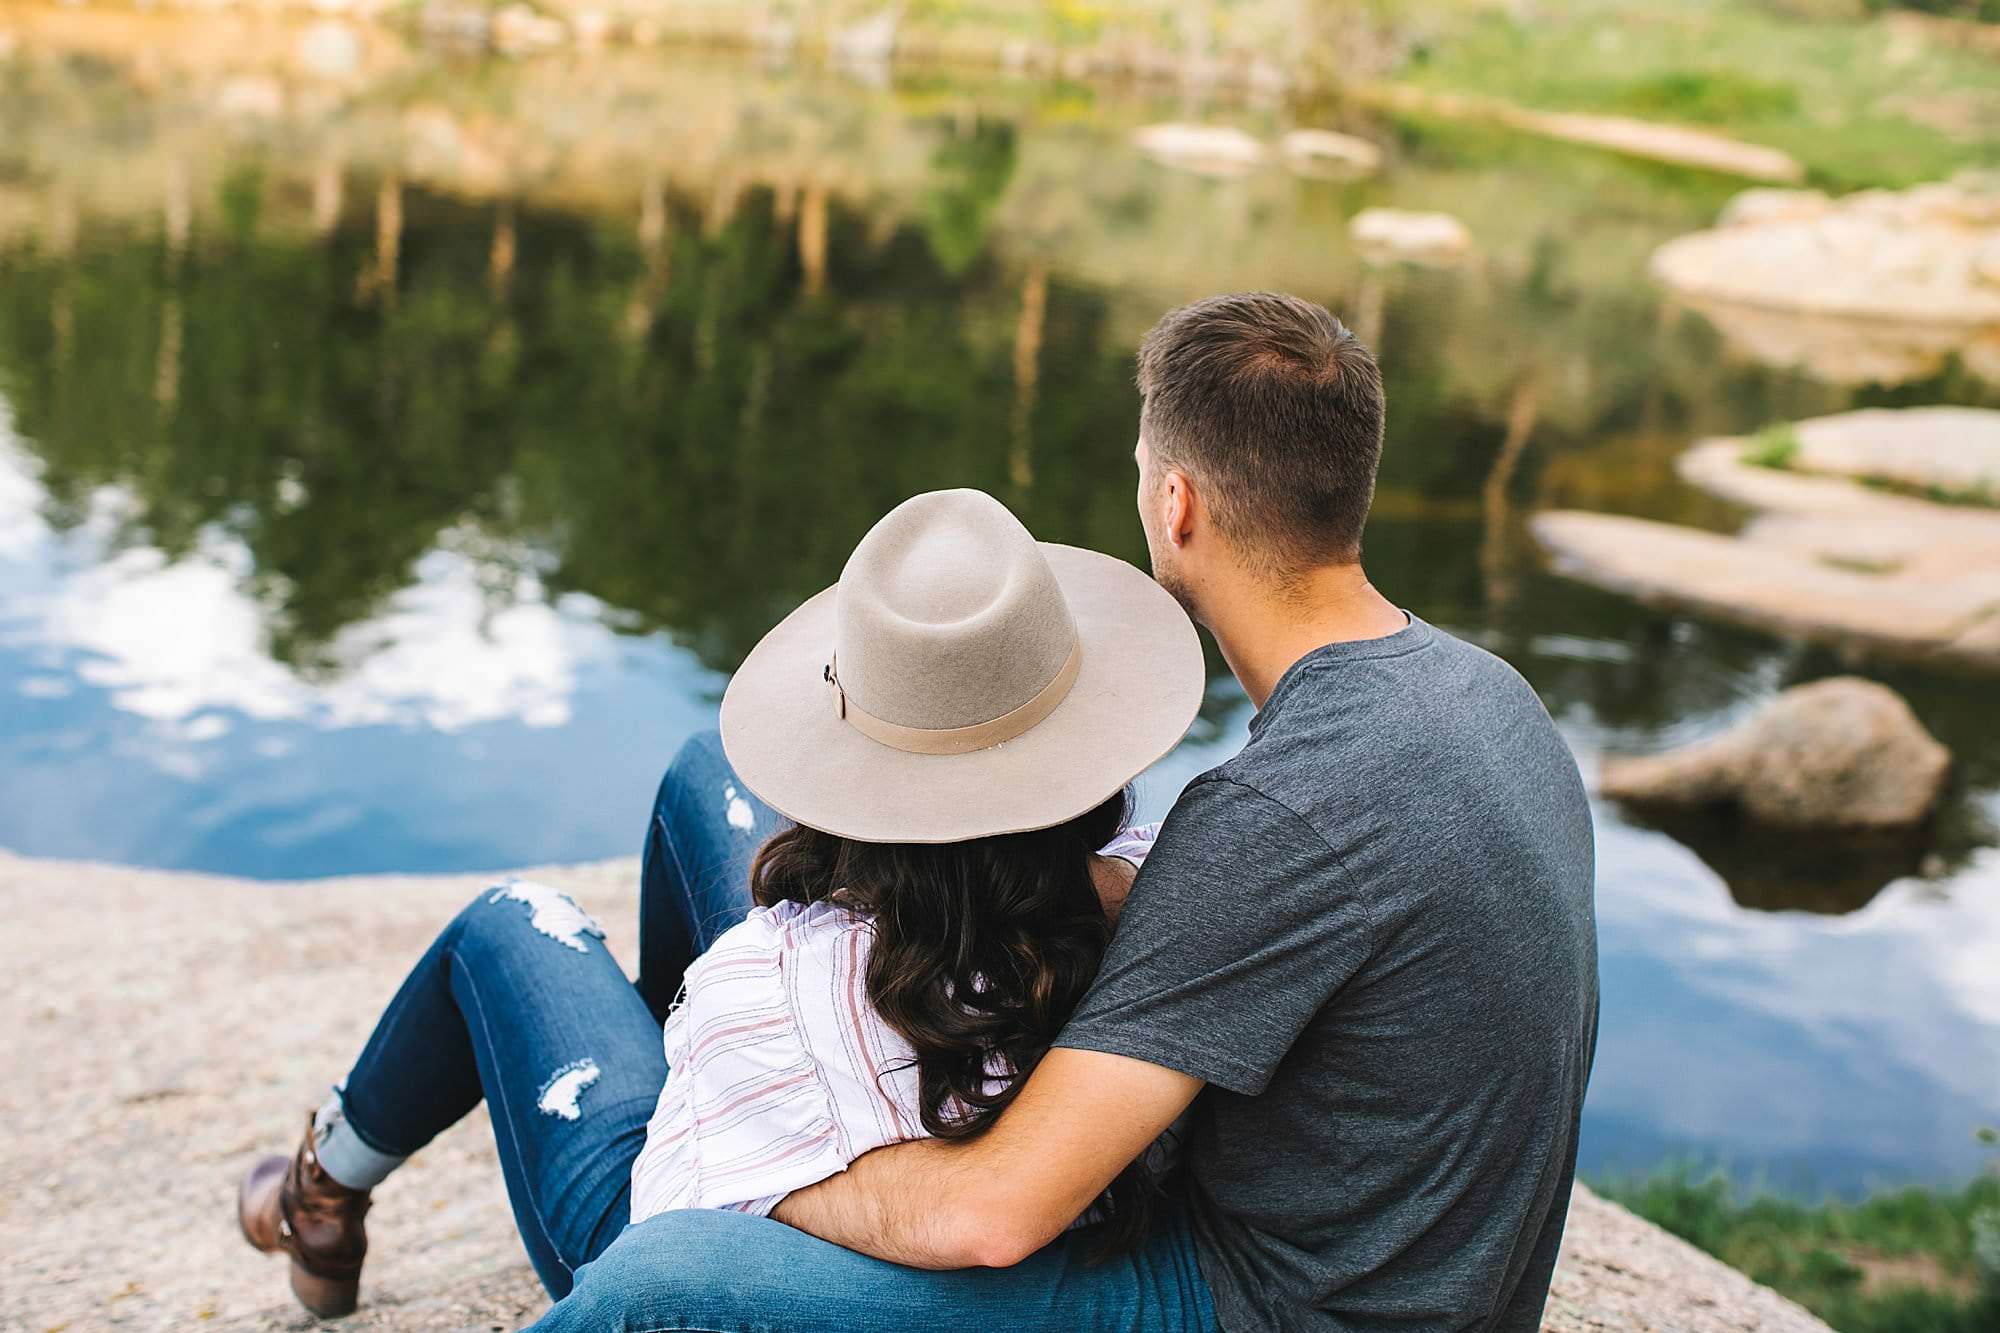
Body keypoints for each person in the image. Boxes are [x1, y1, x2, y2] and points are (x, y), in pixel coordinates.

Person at [532, 292, 1600, 1332]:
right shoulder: (1492, 698)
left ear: (1174, 503)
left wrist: (757, 1178)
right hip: (1441, 1285)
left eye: (1140, 475)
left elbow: (991, 1215)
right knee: (705, 789)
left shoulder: (1279, 813)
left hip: (1254, 1304)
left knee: (662, 1276)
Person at [234, 487, 1208, 1319]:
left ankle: (320, 1190)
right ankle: (329, 1186)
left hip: (709, 1252)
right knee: (706, 768)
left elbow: (675, 1208)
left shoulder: (778, 979)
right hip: (956, 1112)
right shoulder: (1172, 890)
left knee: (515, 922)